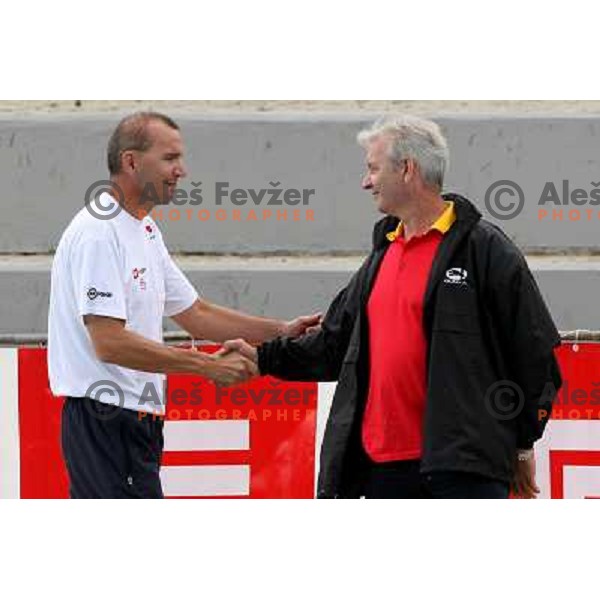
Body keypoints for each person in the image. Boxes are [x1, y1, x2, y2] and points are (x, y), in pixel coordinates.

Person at [225, 115, 563, 499]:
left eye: (372, 168)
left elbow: (535, 355)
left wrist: (521, 443)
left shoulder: (486, 249)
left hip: (463, 471)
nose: (365, 182)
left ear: (407, 169)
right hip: (382, 471)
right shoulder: (381, 254)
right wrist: (260, 358)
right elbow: (333, 345)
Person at [48, 112, 319, 499]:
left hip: (136, 418)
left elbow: (196, 313)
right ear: (131, 161)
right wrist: (208, 366)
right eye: (170, 158)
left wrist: (281, 331)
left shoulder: (143, 228)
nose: (182, 171)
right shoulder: (98, 231)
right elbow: (109, 342)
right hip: (106, 418)